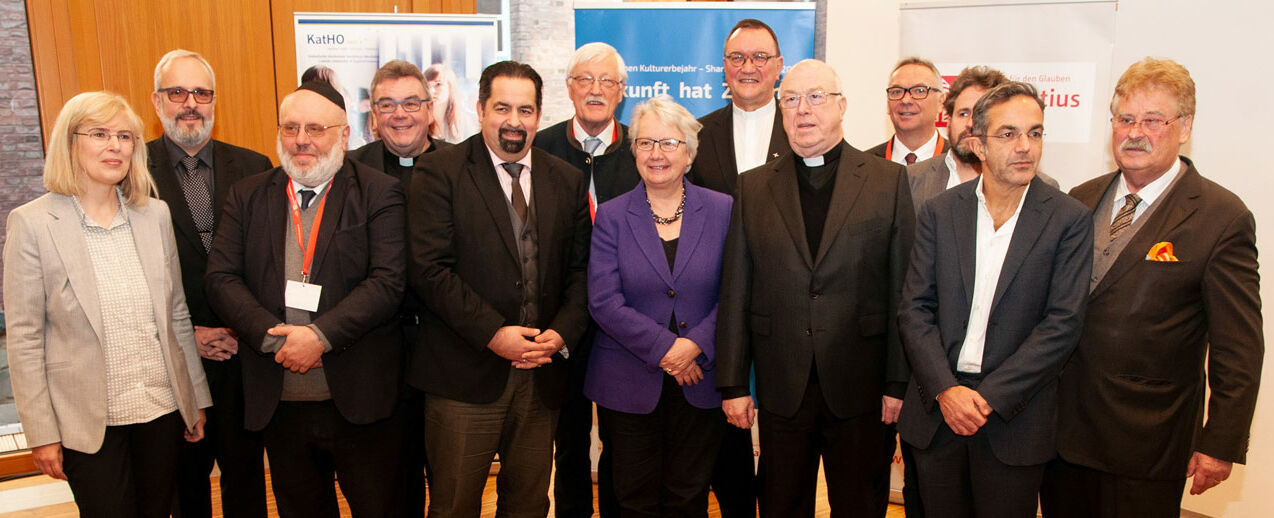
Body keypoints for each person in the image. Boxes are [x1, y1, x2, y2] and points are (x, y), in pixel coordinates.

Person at [1040, 57, 1264, 518]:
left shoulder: (1221, 217)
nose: (1134, 132)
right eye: (1124, 119)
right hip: (1060, 435)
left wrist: (1219, 441)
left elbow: (1237, 346)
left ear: (1185, 128)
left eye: (1153, 120)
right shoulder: (1079, 200)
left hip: (1146, 442)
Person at [716, 59, 914, 518]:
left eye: (817, 97)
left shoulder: (887, 181)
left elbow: (903, 289)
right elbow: (737, 290)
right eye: (792, 100)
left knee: (860, 505)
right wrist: (732, 384)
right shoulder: (754, 187)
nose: (803, 110)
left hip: (862, 385)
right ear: (781, 110)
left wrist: (897, 381)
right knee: (783, 505)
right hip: (782, 384)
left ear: (842, 106)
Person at [204, 81, 407, 517]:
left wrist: (319, 336)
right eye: (291, 127)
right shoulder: (248, 194)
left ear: (345, 134)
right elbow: (220, 278)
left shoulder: (379, 192)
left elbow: (387, 282)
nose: (301, 139)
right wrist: (277, 340)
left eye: (315, 128)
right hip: (280, 402)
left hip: (358, 397)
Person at [4, 91, 211, 517]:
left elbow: (177, 316)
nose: (114, 146)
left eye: (124, 136)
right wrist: (41, 433)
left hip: (160, 409)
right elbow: (24, 338)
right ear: (70, 142)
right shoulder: (32, 223)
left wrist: (196, 401)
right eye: (99, 134)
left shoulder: (154, 215)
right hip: (87, 422)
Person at [897, 81, 1092, 517]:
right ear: (978, 145)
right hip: (938, 413)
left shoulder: (1068, 219)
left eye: (1035, 133)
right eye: (1008, 134)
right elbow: (915, 309)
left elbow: (1062, 324)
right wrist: (947, 390)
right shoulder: (940, 211)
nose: (1025, 146)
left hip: (1013, 417)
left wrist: (986, 399)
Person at [408, 60, 592, 517]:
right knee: (453, 505)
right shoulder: (439, 172)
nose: (514, 121)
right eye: (502, 108)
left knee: (529, 504)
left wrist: (561, 333)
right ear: (480, 109)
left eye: (525, 110)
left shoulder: (566, 180)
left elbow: (582, 272)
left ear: (539, 114)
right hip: (462, 376)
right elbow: (430, 271)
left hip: (541, 374)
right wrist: (495, 335)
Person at [585, 95, 732, 517]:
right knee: (633, 499)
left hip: (700, 378)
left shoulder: (723, 210)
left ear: (689, 153)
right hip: (627, 380)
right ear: (634, 152)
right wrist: (669, 350)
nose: (656, 153)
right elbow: (603, 300)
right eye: (646, 143)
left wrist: (694, 345)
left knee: (688, 496)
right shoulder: (612, 215)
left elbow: (736, 291)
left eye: (669, 143)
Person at [145, 49, 272, 518]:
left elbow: (266, 262)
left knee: (246, 484)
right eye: (178, 92)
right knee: (185, 486)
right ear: (157, 102)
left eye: (201, 92)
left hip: (242, 358)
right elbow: (132, 275)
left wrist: (242, 327)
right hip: (174, 362)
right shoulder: (132, 171)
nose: (190, 103)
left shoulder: (255, 165)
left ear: (215, 100)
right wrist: (188, 335)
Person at [532, 41, 642, 518]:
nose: (596, 90)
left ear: (621, 91)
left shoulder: (642, 149)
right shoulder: (541, 148)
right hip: (563, 317)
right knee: (568, 435)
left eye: (607, 82)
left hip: (626, 318)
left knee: (622, 434)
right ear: (569, 87)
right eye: (586, 80)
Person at [346, 57, 448, 518]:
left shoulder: (460, 164)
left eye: (411, 102)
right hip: (375, 348)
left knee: (450, 475)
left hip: (445, 342)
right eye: (387, 104)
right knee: (387, 481)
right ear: (372, 115)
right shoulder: (348, 172)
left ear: (430, 110)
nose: (400, 114)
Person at [908, 66, 1058, 214]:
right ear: (948, 119)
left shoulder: (1044, 188)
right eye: (964, 113)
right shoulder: (910, 179)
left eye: (981, 115)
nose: (971, 124)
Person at [868, 57, 948, 166]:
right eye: (897, 91)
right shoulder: (864, 166)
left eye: (919, 91)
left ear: (940, 102)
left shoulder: (961, 163)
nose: (905, 100)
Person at [425, 62, 479, 143]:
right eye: (427, 85)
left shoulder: (463, 121)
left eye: (438, 84)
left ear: (450, 87)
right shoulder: (419, 120)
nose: (431, 91)